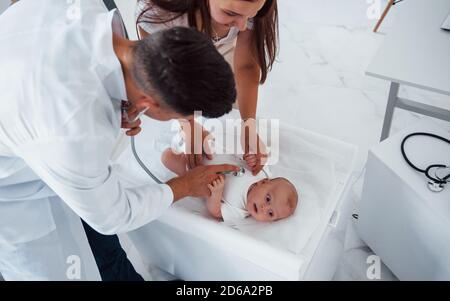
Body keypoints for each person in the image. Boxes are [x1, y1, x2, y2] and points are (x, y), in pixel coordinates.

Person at [0, 0, 239, 280]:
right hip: (13, 196)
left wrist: (117, 103)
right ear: (150, 102)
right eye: (183, 116)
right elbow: (113, 215)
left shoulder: (90, 8)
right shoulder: (75, 132)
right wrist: (183, 186)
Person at [136, 0, 279, 175]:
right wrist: (187, 124)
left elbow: (247, 66)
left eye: (251, 16)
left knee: (226, 110)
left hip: (218, 44)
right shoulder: (157, 14)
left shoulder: (252, 5)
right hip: (173, 55)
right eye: (231, 13)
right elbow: (163, 78)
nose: (242, 26)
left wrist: (248, 124)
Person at [162, 149, 298, 222]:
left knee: (167, 157)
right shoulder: (261, 172)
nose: (264, 208)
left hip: (193, 172)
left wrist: (216, 193)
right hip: (211, 151)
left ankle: (178, 159)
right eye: (268, 199)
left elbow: (216, 212)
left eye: (270, 213)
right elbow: (256, 157)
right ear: (264, 182)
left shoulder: (240, 210)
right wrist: (251, 158)